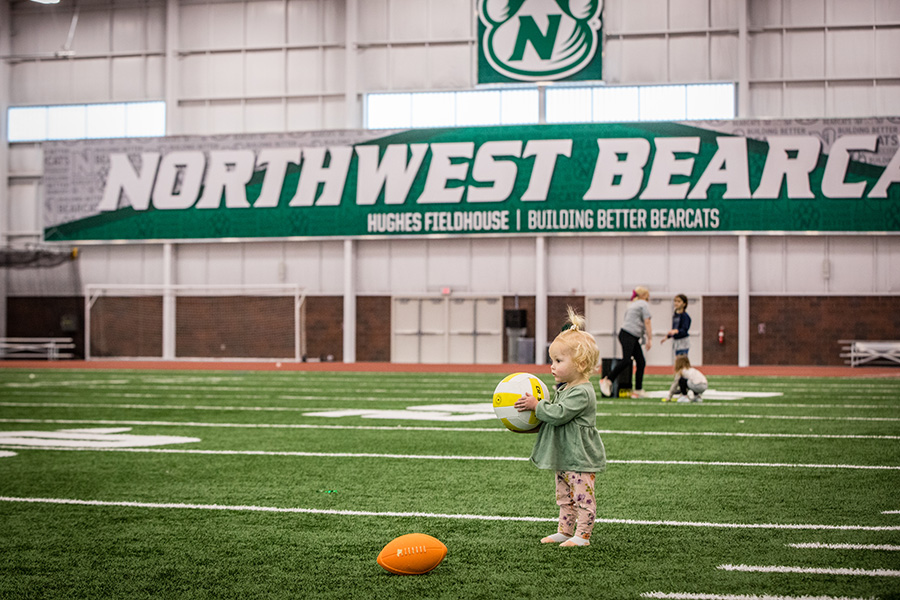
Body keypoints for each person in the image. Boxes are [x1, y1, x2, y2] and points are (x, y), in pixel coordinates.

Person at [514, 307, 606, 548]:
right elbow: (551, 419)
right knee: (565, 497)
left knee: (582, 497)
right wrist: (532, 423)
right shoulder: (565, 388)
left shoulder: (583, 392)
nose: (552, 366)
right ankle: (565, 531)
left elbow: (559, 414)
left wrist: (537, 405)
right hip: (564, 455)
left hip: (580, 456)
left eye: (558, 361)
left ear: (581, 363)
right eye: (551, 360)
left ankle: (582, 535)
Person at [598, 286, 652, 399]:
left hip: (628, 334)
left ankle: (638, 389)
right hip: (629, 335)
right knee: (626, 360)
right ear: (644, 295)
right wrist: (649, 338)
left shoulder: (632, 304)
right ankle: (607, 380)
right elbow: (647, 322)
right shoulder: (643, 304)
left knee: (641, 362)